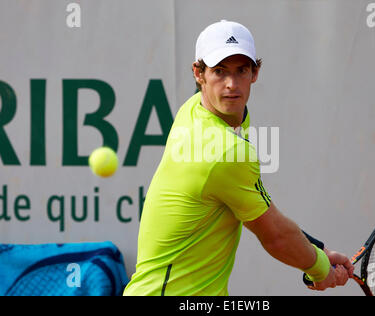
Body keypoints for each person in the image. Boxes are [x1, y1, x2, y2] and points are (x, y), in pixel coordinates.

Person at [123, 20, 353, 296]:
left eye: (241, 70)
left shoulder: (195, 109)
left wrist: (321, 252)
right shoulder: (225, 151)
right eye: (219, 71)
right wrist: (319, 269)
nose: (231, 85)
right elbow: (275, 236)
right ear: (199, 73)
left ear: (255, 73)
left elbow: (263, 211)